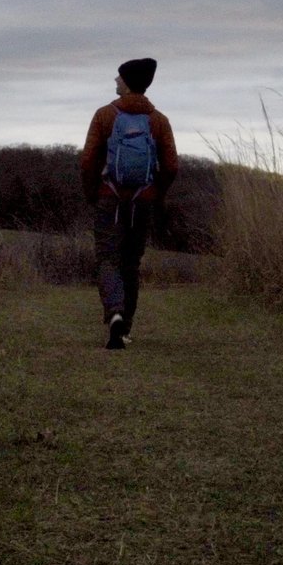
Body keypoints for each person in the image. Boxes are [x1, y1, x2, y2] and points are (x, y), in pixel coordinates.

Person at [78, 56, 178, 350]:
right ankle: (125, 328)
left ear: (128, 81)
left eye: (119, 77)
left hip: (109, 198)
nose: (115, 81)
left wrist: (92, 193)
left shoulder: (104, 115)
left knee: (108, 260)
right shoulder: (159, 121)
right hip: (142, 202)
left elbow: (87, 162)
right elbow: (171, 166)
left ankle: (115, 315)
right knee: (131, 263)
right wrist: (156, 193)